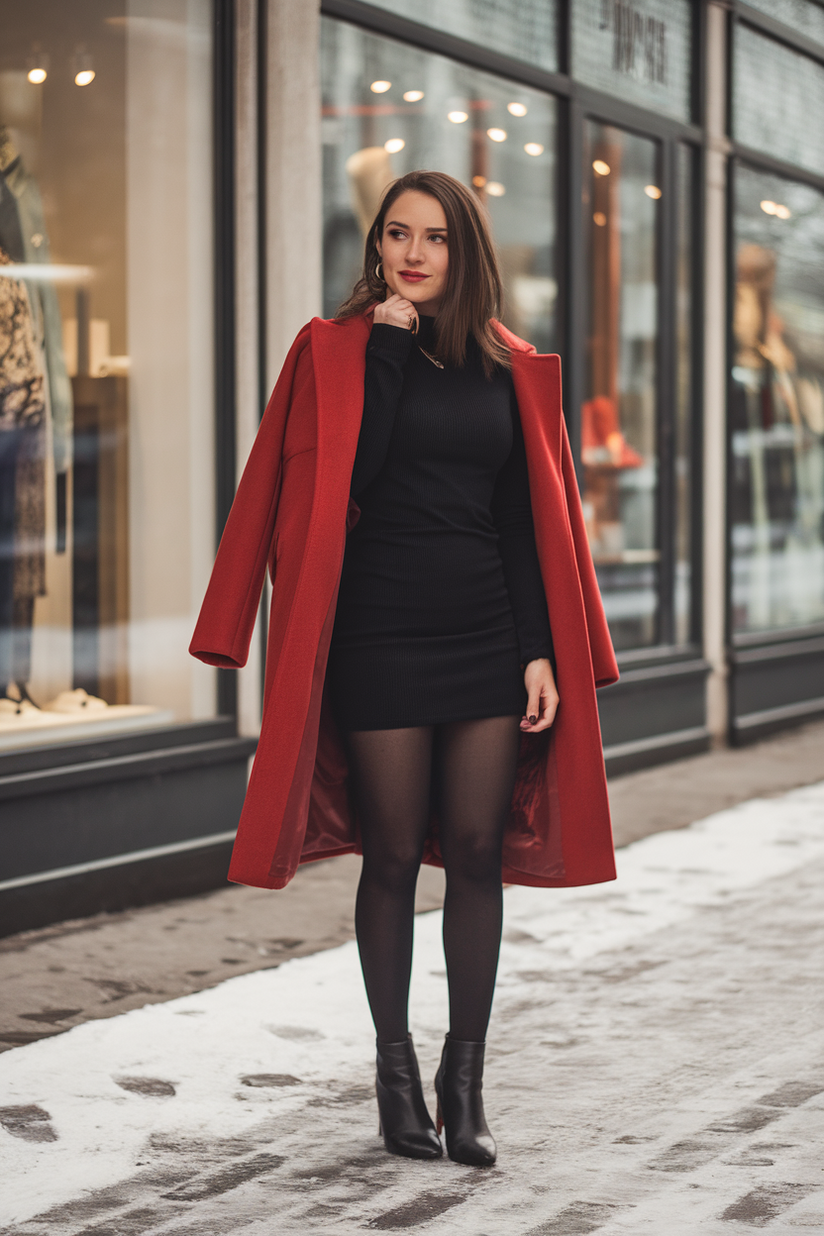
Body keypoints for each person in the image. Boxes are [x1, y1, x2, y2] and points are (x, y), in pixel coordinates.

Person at [190, 170, 618, 1170]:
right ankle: (393, 1078)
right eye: (395, 234)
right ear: (374, 245)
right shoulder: (335, 350)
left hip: (481, 633)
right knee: (390, 856)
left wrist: (535, 649)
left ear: (464, 251)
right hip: (374, 635)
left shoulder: (508, 367)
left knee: (473, 853)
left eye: (432, 237)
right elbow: (360, 469)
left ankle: (462, 1086)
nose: (412, 252)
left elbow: (522, 518)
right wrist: (385, 343)